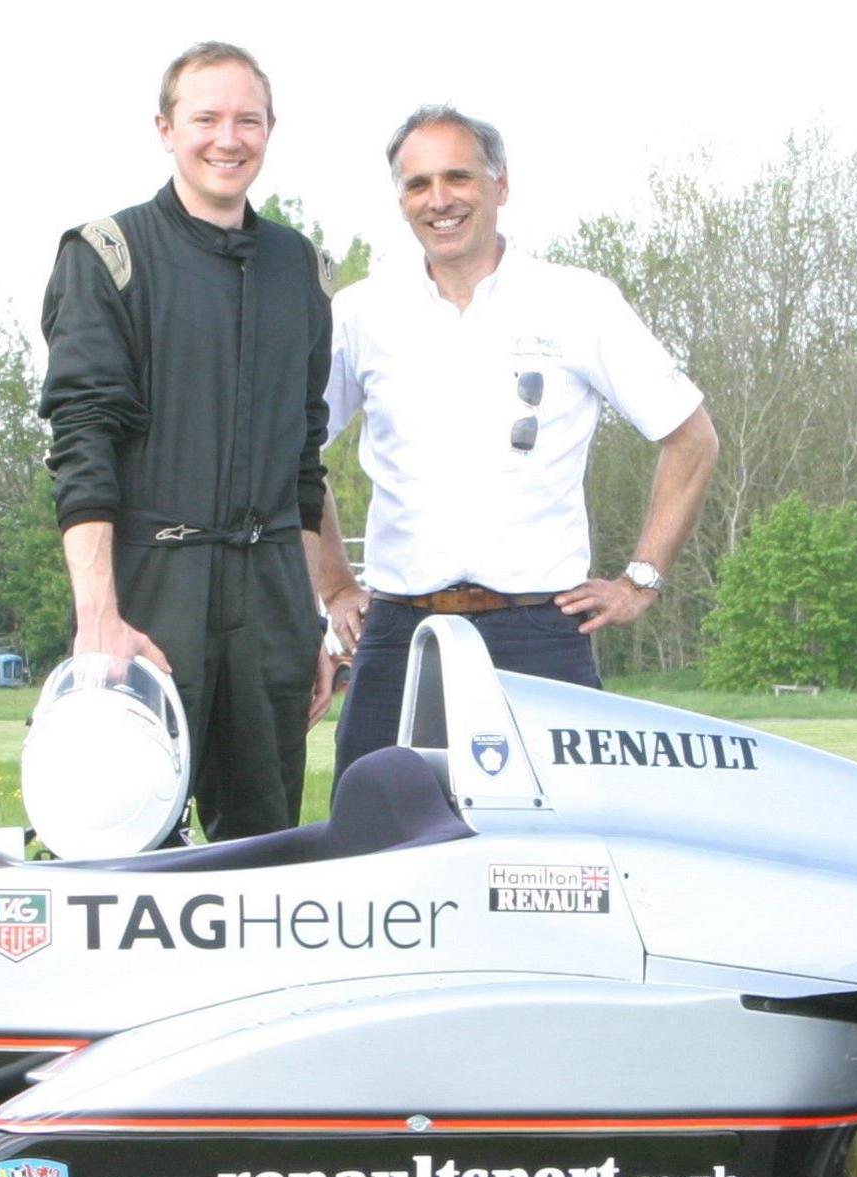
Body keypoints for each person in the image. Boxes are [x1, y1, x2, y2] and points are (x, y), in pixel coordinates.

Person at [317, 104, 720, 782]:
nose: (439, 200)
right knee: (377, 844)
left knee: (564, 860)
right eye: (418, 185)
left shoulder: (577, 302)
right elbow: (293, 456)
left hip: (540, 632)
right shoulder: (360, 313)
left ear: (500, 186)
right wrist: (332, 585)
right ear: (401, 201)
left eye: (458, 178)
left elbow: (691, 437)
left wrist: (641, 579)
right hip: (396, 636)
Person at [39, 41, 346, 843]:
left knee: (265, 846)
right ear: (166, 128)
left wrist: (308, 616)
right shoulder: (108, 256)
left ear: (271, 130)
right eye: (206, 117)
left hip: (271, 594)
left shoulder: (301, 271)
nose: (227, 138)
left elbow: (302, 464)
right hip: (151, 592)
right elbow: (83, 441)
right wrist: (97, 615)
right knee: (119, 838)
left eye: (248, 119)